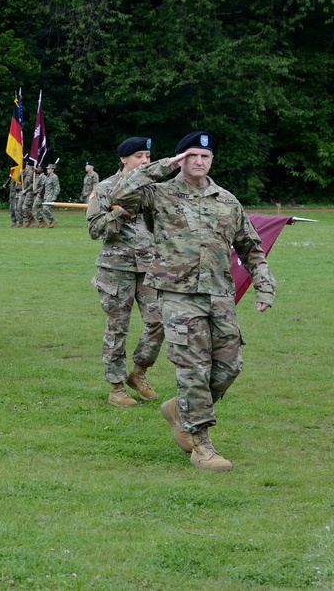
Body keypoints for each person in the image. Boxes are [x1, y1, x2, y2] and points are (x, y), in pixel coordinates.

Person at [110, 131, 275, 471]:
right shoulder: (159, 194)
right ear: (180, 160)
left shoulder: (226, 201)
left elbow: (251, 248)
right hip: (177, 296)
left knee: (230, 366)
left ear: (211, 161)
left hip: (219, 295)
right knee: (194, 370)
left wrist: (264, 286)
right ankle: (201, 445)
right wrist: (160, 167)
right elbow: (120, 193)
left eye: (205, 156)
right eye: (191, 156)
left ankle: (178, 409)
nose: (199, 162)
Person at [86, 137, 164, 407]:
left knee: (160, 319)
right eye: (140, 156)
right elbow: (94, 230)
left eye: (148, 155)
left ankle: (139, 372)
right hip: (115, 269)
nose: (145, 161)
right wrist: (120, 213)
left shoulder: (154, 188)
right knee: (118, 328)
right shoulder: (106, 188)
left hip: (149, 268)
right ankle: (116, 387)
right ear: (124, 159)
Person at [40, 163, 60, 228]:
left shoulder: (54, 177)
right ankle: (51, 222)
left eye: (49, 169)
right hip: (46, 195)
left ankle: (53, 219)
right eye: (47, 168)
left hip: (50, 195)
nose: (47, 170)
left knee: (45, 208)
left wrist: (54, 196)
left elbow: (57, 187)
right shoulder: (47, 177)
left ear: (52, 170)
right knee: (47, 209)